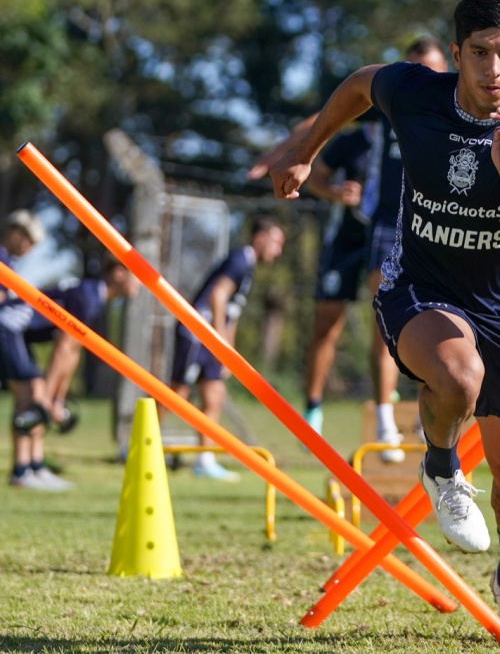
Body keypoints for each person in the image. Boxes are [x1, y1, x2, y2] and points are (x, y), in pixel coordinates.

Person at [268, 0, 500, 645]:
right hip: (417, 286)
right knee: (457, 374)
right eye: (477, 53)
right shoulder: (415, 92)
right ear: (456, 53)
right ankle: (440, 463)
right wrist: (306, 146)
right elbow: (358, 86)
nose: (491, 70)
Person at [250, 37, 448, 463]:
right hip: (359, 230)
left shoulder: (447, 107)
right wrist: (281, 155)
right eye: (413, 69)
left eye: (430, 70)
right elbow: (322, 118)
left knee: (407, 321)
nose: (421, 78)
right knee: (332, 321)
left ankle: (407, 417)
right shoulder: (381, 113)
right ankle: (318, 410)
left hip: (409, 229)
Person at [0, 257, 140, 490]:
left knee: (37, 397)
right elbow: (62, 349)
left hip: (19, 334)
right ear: (118, 273)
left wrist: (57, 398)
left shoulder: (96, 298)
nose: (140, 284)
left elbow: (72, 352)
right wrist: (48, 398)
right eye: (136, 275)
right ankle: (21, 472)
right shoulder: (89, 295)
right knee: (32, 396)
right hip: (7, 325)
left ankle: (35, 467)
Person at [165, 215, 285, 481]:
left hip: (212, 337)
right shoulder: (239, 259)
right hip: (197, 333)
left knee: (214, 395)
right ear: (260, 238)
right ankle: (136, 442)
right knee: (178, 393)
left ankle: (204, 460)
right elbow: (217, 296)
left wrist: (229, 351)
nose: (278, 251)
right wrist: (219, 341)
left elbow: (232, 311)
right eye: (276, 243)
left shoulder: (249, 267)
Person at [0, 209, 46, 304]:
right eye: (30, 243)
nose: (30, 249)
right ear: (17, 234)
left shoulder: (9, 262)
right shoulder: (3, 260)